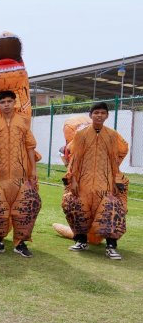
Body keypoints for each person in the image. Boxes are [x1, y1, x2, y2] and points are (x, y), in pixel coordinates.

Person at [62, 102, 129, 260]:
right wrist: (73, 179)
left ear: (107, 116)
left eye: (102, 113)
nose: (99, 115)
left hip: (105, 182)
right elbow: (75, 158)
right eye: (96, 112)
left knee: (111, 211)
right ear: (91, 115)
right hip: (83, 182)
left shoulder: (113, 135)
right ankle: (81, 241)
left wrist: (114, 177)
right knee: (77, 208)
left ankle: (111, 246)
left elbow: (118, 155)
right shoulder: (81, 134)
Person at [0, 90, 41, 258]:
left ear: (15, 102)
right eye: (2, 102)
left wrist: (33, 170)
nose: (6, 104)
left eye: (9, 101)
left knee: (28, 207)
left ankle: (20, 243)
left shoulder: (24, 121)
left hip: (21, 177)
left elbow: (30, 146)